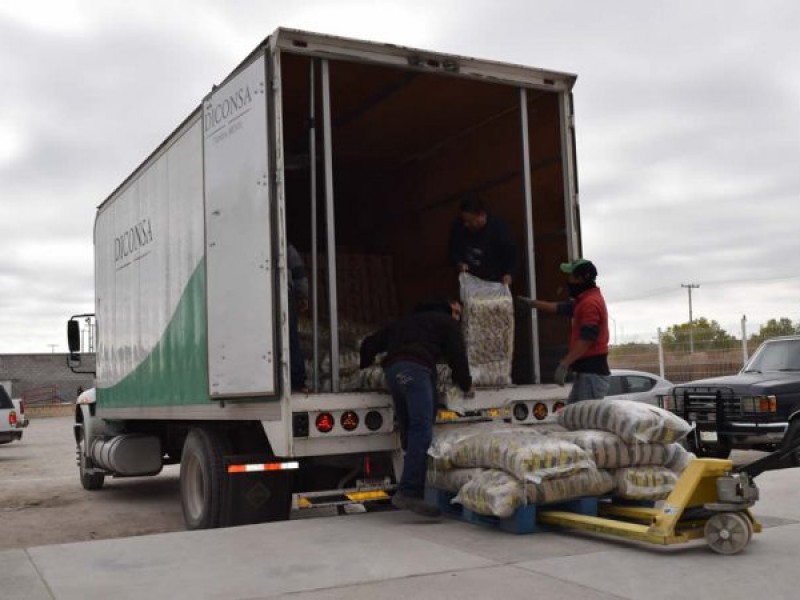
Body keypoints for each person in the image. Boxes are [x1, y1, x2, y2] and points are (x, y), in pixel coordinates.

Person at [360, 300, 472, 517]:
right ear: (448, 309)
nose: (458, 316)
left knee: (409, 429)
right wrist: (465, 383)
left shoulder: (404, 323)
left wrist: (364, 370)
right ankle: (409, 492)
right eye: (457, 311)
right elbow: (458, 357)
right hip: (417, 370)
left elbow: (369, 343)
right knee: (422, 429)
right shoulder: (447, 323)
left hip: (393, 372)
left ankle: (410, 478)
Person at [521, 258, 610, 402]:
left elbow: (587, 339)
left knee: (582, 421)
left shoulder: (590, 303)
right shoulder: (584, 300)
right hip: (586, 374)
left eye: (571, 276)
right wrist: (532, 304)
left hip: (592, 376)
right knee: (574, 417)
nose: (568, 280)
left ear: (580, 279)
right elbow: (560, 308)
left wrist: (565, 363)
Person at [448, 194, 517, 286]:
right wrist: (458, 263)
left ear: (481, 215)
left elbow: (512, 255)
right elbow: (453, 250)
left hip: (494, 282)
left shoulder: (499, 228)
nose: (466, 225)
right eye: (464, 221)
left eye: (470, 221)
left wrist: (509, 274)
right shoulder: (459, 226)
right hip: (470, 282)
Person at [288, 244, 309, 392]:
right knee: (290, 338)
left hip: (263, 293)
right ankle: (297, 382)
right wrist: (302, 296)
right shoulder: (286, 246)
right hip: (284, 293)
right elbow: (299, 273)